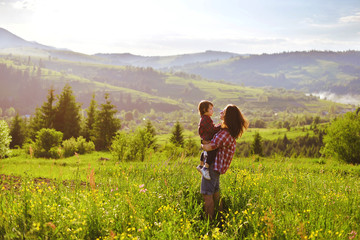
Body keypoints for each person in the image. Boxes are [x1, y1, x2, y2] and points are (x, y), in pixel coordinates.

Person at [201, 104, 249, 220]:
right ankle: (221, 219)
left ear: (228, 116)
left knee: (207, 196)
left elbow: (209, 147)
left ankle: (210, 223)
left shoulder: (225, 134)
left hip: (212, 167)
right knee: (216, 195)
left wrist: (202, 143)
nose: (221, 111)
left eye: (224, 111)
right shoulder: (226, 131)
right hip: (216, 168)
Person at [197, 100, 221, 180]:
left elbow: (210, 127)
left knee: (205, 152)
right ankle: (205, 167)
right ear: (204, 109)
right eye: (210, 109)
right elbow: (212, 129)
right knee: (213, 151)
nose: (212, 110)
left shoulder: (204, 118)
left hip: (204, 138)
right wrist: (221, 126)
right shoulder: (207, 119)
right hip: (208, 138)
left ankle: (200, 165)